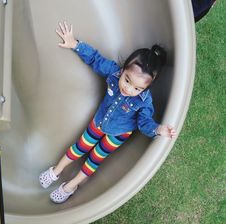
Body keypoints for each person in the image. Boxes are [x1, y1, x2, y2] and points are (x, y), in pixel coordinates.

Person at [39, 21, 177, 203]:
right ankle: (56, 171)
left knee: (95, 159)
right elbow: (96, 59)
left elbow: (144, 123)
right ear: (123, 69)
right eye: (127, 81)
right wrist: (75, 44)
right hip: (99, 122)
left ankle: (71, 185)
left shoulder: (144, 102)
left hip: (118, 134)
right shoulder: (114, 73)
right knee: (79, 147)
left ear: (146, 88)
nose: (129, 89)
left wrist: (158, 129)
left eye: (137, 88)